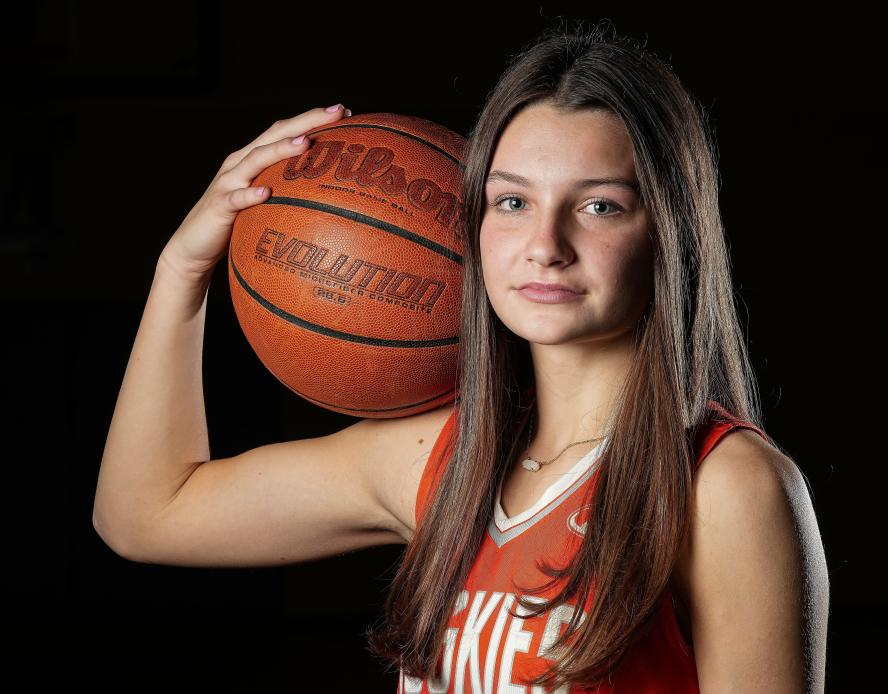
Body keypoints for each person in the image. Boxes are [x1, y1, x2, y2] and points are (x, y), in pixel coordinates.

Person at [93, 19, 829, 694]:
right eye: (512, 202)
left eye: (600, 205)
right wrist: (181, 273)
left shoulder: (725, 488)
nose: (545, 245)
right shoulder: (441, 460)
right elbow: (145, 513)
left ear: (669, 231)